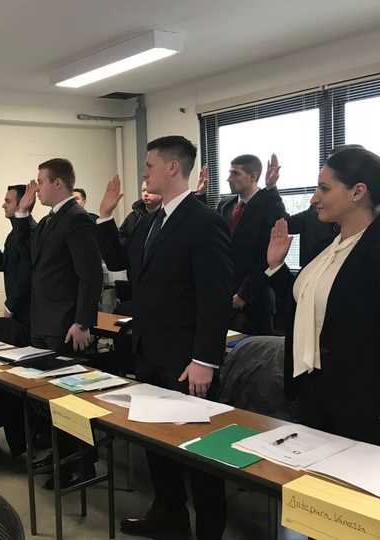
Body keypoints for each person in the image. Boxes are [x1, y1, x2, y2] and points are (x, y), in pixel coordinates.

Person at [97, 136, 233, 539]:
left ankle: (209, 531)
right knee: (157, 445)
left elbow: (216, 296)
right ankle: (169, 514)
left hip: (188, 361)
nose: (144, 172)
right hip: (151, 353)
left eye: (150, 165)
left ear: (173, 167)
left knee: (200, 455)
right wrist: (104, 217)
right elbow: (123, 263)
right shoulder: (153, 219)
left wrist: (205, 359)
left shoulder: (203, 221)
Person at [266, 147, 380, 445]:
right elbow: (310, 307)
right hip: (315, 388)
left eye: (324, 188)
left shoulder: (373, 249)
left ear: (357, 192)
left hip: (360, 399)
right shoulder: (333, 246)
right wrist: (277, 268)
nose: (314, 198)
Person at [15, 159, 103, 353]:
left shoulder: (77, 218)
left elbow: (91, 275)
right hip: (41, 321)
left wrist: (82, 322)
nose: (36, 189)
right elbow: (29, 255)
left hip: (65, 324)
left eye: (41, 182)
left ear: (57, 183)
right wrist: (21, 213)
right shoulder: (48, 220)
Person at [211, 154, 286, 335]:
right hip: (224, 293)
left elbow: (265, 256)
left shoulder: (267, 204)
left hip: (254, 297)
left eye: (235, 173)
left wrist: (244, 294)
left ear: (252, 177)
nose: (229, 178)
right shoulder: (225, 205)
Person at [0, 184, 35, 328]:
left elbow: (26, 275)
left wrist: (10, 305)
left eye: (8, 201)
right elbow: (4, 265)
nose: (3, 205)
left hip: (28, 310)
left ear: (23, 203)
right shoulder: (14, 234)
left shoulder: (30, 232)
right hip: (18, 307)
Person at [118, 180, 162, 246]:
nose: (146, 194)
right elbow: (121, 239)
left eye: (150, 191)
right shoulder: (134, 216)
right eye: (143, 190)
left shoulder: (165, 215)